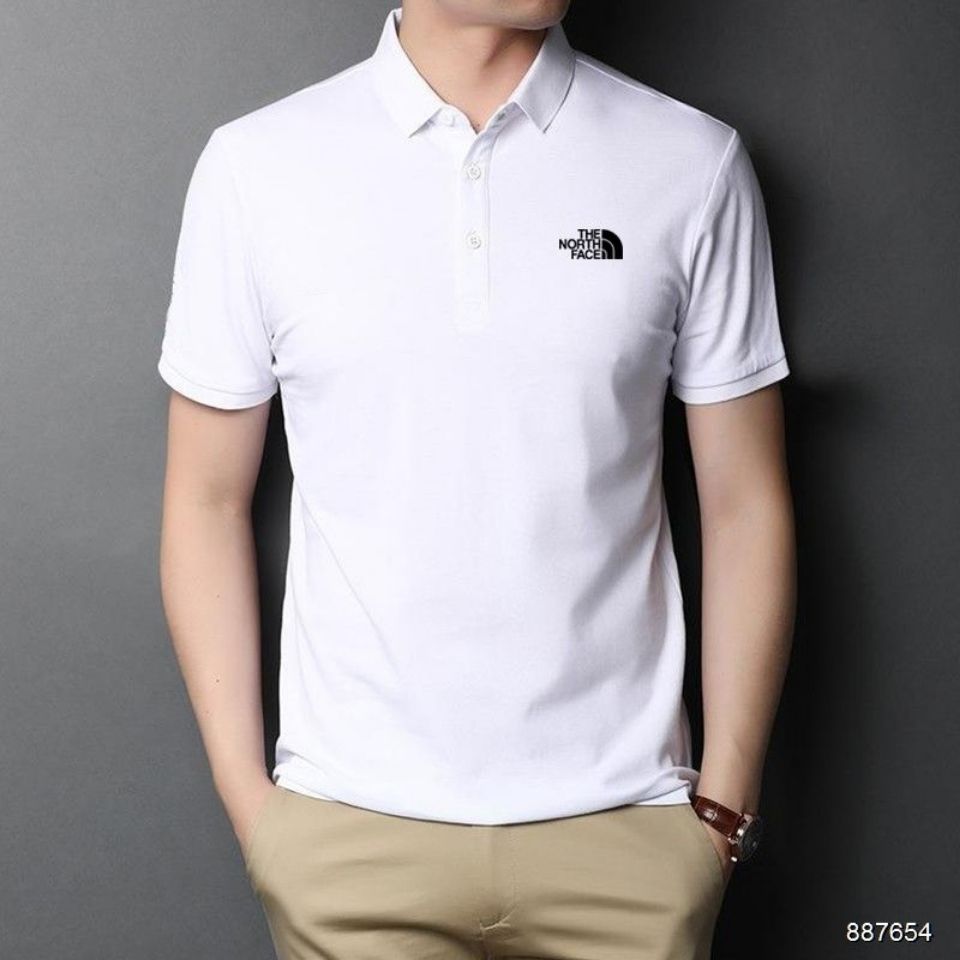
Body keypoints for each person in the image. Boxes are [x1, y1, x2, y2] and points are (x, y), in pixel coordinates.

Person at [157, 2, 796, 957]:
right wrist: (259, 813)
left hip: (629, 840)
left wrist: (722, 811)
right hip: (348, 837)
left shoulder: (691, 162)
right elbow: (204, 501)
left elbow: (745, 502)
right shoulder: (257, 169)